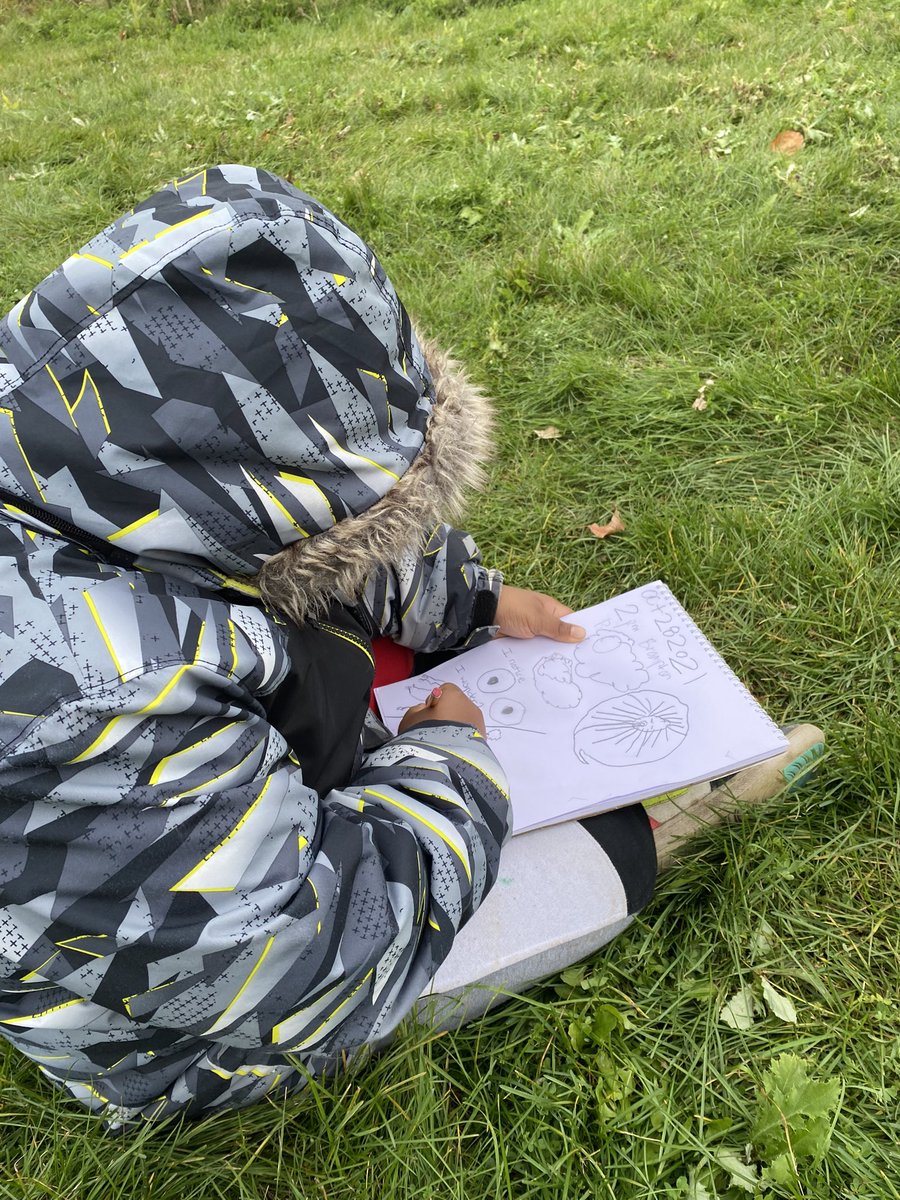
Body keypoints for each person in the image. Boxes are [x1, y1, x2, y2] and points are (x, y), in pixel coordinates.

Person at [0, 165, 655, 1128]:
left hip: (160, 827)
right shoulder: (85, 698)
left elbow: (308, 533)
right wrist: (455, 766)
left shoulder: (81, 443)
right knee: (616, 850)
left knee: (400, 672)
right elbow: (304, 962)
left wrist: (472, 600)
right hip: (172, 1033)